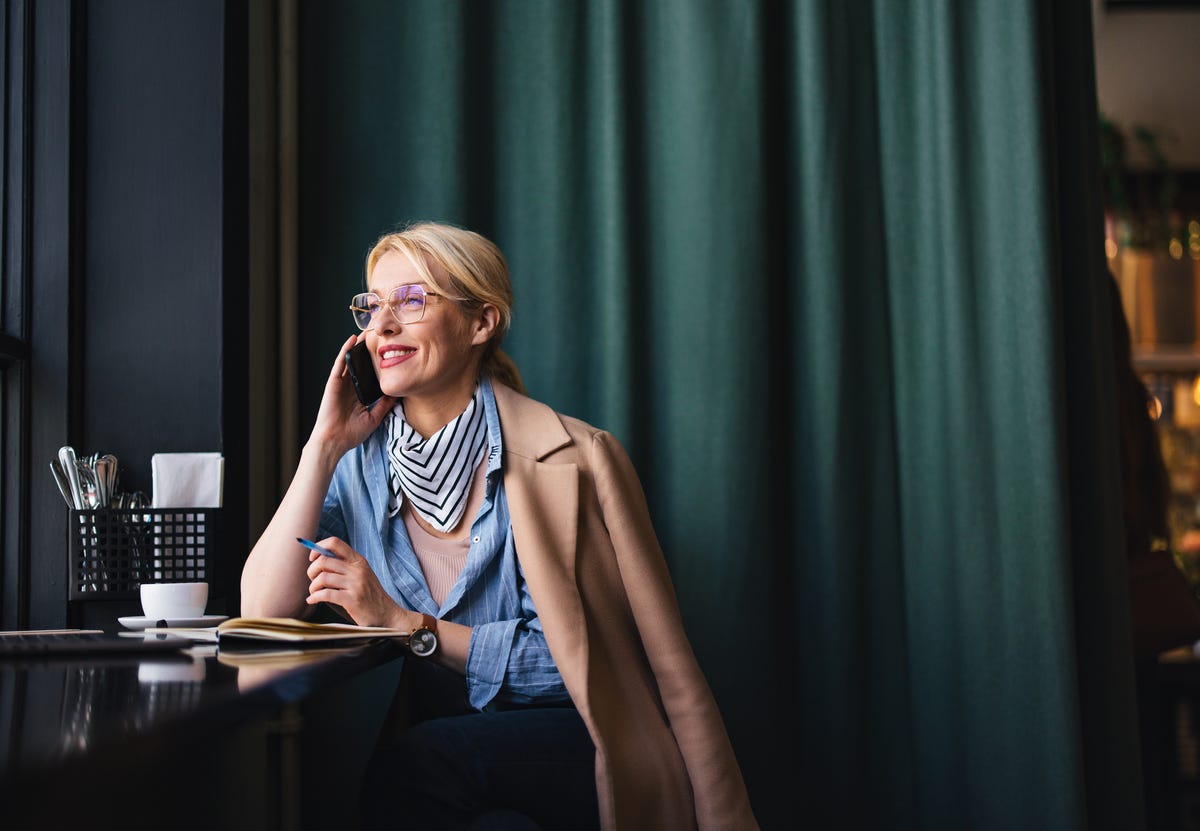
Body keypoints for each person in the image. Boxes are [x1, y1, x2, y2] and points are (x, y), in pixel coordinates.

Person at [240, 221, 758, 830]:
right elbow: (264, 608)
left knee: (423, 764)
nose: (381, 327)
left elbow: (573, 665)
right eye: (372, 306)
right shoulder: (359, 467)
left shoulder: (572, 459)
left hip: (585, 734)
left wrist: (409, 627)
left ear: (480, 323)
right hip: (458, 751)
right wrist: (322, 448)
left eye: (411, 301)